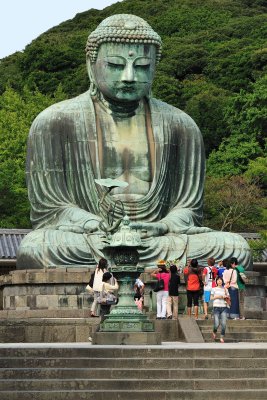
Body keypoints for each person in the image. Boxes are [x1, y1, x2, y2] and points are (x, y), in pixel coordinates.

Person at [17, 14, 252, 270]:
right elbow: (52, 208)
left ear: (154, 68)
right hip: (93, 237)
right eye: (116, 65)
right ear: (91, 65)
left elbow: (188, 209)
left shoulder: (181, 126)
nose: (128, 77)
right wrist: (93, 223)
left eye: (141, 67)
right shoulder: (55, 122)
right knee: (36, 247)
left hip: (159, 238)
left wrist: (162, 225)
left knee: (234, 247)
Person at [211, 276, 230, 343]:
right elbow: (211, 298)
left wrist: (226, 297)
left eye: (220, 280)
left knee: (224, 323)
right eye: (218, 280)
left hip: (224, 307)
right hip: (216, 307)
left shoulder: (225, 289)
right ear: (216, 281)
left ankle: (222, 337)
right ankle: (214, 331)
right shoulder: (214, 289)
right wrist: (218, 296)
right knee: (216, 323)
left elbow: (228, 297)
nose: (219, 281)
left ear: (222, 281)